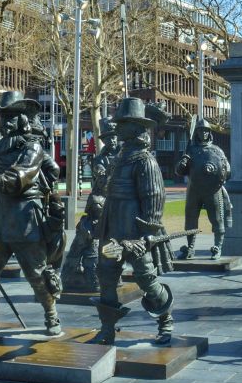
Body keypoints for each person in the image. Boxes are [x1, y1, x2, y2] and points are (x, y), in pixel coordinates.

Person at [0, 92, 62, 337]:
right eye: (1, 117)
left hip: (24, 217)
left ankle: (51, 315)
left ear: (23, 119)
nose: (4, 123)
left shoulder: (33, 147)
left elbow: (22, 174)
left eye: (10, 117)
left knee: (36, 274)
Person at [93, 97, 173, 345]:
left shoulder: (145, 160)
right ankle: (107, 328)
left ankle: (165, 320)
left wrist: (147, 235)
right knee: (106, 276)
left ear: (135, 127)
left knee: (146, 278)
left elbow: (154, 198)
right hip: (112, 227)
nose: (117, 127)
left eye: (123, 123)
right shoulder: (120, 157)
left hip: (134, 229)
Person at [61, 117, 119, 291]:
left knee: (117, 239)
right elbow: (102, 182)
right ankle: (75, 273)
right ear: (104, 141)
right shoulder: (99, 160)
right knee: (89, 237)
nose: (112, 140)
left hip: (118, 204)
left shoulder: (124, 156)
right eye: (108, 138)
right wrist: (110, 171)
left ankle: (113, 273)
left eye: (114, 136)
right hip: (101, 203)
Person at [174, 117, 232, 260]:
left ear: (209, 133)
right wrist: (182, 163)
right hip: (194, 190)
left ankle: (217, 247)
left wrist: (217, 173)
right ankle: (190, 248)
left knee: (217, 219)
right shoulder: (191, 151)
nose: (204, 133)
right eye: (201, 131)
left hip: (212, 190)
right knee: (191, 220)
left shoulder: (217, 151)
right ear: (197, 133)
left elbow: (227, 170)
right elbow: (179, 171)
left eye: (206, 131)